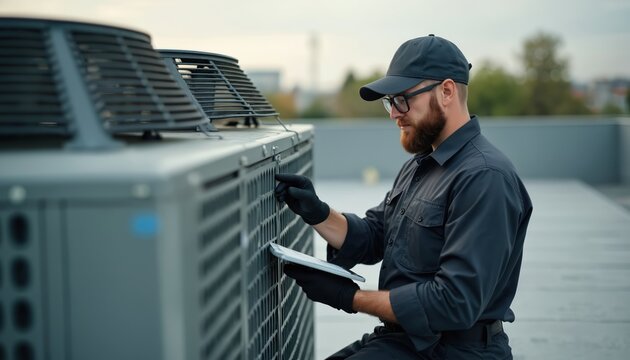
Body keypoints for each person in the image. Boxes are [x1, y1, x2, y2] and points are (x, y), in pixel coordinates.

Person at [274, 34, 533, 359]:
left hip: (455, 351)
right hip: (403, 341)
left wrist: (350, 298)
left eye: (401, 99)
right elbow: (377, 235)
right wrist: (318, 213)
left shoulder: (484, 177)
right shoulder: (420, 165)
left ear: (447, 91)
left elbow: (455, 302)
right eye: (389, 102)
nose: (394, 113)